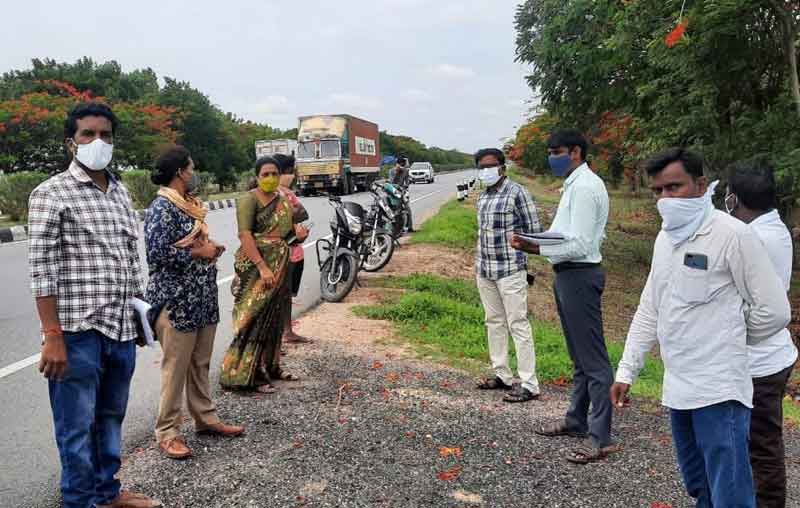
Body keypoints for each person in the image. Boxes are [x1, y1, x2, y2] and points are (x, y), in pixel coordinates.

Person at [610, 148, 791, 507]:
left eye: (674, 187)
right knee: (700, 486)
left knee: (732, 493)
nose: (665, 199)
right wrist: (627, 369)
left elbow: (774, 310)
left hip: (720, 390)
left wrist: (731, 339)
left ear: (701, 185)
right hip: (678, 387)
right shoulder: (666, 239)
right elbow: (651, 307)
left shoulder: (733, 235)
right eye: (657, 191)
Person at [28, 102, 160, 507]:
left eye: (106, 135)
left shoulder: (120, 191)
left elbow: (128, 257)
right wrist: (53, 336)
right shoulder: (51, 193)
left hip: (120, 329)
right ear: (72, 142)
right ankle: (79, 500)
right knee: (75, 427)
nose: (98, 142)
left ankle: (107, 492)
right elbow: (41, 271)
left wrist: (142, 315)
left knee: (110, 419)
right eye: (88, 134)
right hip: (76, 334)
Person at [511, 129, 613, 464]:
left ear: (575, 152)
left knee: (594, 361)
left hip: (580, 275)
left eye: (557, 151)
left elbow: (581, 244)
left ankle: (600, 437)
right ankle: (576, 420)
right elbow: (562, 234)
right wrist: (534, 240)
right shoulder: (573, 184)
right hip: (568, 275)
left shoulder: (584, 187)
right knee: (580, 356)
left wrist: (534, 246)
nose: (552, 157)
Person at [145, 145, 245, 460]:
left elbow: (195, 243)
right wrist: (198, 253)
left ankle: (206, 418)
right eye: (191, 167)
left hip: (201, 296)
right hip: (176, 299)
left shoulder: (191, 206)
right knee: (175, 368)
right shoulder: (163, 207)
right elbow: (156, 255)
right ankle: (168, 432)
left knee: (200, 363)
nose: (194, 172)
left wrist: (209, 249)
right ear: (180, 172)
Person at [725, 156, 796, 508]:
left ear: (735, 198)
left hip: (762, 361)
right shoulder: (772, 228)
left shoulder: (754, 238)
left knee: (762, 447)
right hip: (769, 354)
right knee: (757, 444)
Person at [219, 157, 308, 393]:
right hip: (256, 268)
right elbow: (245, 236)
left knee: (276, 319)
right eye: (265, 174)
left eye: (274, 174)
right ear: (257, 176)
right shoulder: (248, 200)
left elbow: (287, 237)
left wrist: (299, 237)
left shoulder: (284, 202)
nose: (270, 178)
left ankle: (272, 366)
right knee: (253, 318)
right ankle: (245, 375)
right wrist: (262, 266)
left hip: (281, 265)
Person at [473, 147, 541, 403]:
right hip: (485, 269)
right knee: (493, 321)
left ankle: (529, 383)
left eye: (491, 166)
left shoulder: (517, 192)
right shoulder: (482, 197)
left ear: (502, 167)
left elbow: (534, 231)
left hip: (511, 270)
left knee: (518, 323)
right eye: (482, 167)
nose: (486, 171)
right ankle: (502, 374)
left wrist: (524, 256)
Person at [274, 153, 313, 344]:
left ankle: (285, 332)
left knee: (284, 295)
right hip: (287, 253)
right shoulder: (284, 193)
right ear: (287, 172)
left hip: (288, 250)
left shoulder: (275, 193)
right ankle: (281, 334)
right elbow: (302, 213)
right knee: (282, 296)